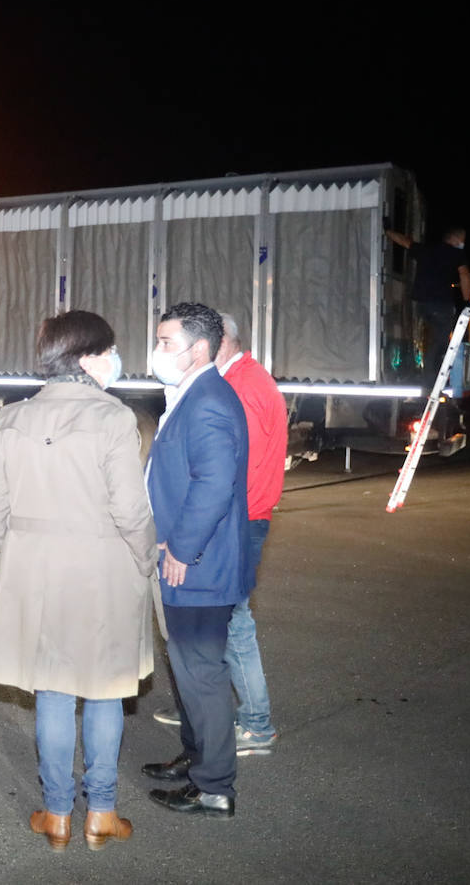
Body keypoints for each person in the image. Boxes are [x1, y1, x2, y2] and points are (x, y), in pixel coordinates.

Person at [0, 310, 159, 851]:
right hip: (103, 571)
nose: (114, 360)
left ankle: (56, 815)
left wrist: (14, 550)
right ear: (86, 358)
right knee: (104, 691)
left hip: (35, 572)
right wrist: (145, 559)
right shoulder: (113, 418)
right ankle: (101, 813)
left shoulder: (12, 418)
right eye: (109, 351)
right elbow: (130, 508)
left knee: (52, 690)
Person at [154, 315, 288, 754]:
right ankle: (201, 706)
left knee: (231, 627)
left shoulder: (238, 387)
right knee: (219, 631)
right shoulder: (247, 380)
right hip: (241, 517)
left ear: (216, 343)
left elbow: (220, 474)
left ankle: (254, 722)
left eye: (169, 343)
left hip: (237, 522)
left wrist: (186, 538)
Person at [141, 301, 251, 819]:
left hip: (198, 567)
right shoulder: (191, 394)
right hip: (188, 561)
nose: (157, 351)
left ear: (200, 349)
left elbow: (214, 484)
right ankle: (196, 756)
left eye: (166, 342)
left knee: (202, 675)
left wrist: (183, 547)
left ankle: (213, 787)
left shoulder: (207, 401)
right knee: (188, 671)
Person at [385, 227, 470, 381]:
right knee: (441, 342)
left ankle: (422, 373)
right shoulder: (456, 254)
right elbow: (465, 275)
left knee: (427, 339)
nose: (462, 244)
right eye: (461, 240)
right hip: (441, 304)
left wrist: (387, 231)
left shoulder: (426, 250)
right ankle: (431, 379)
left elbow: (405, 241)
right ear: (453, 239)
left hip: (421, 305)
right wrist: (467, 302)